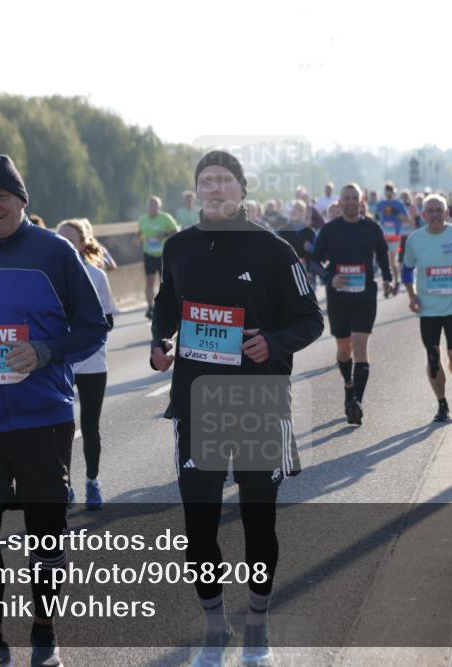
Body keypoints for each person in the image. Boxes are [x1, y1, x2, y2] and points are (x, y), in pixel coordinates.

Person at [0, 154, 108, 667]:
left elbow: (94, 326)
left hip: (42, 419)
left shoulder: (54, 251)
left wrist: (45, 351)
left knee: (45, 536)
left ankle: (45, 633)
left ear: (21, 201)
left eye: (1, 197)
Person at [150, 150, 323, 667]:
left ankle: (257, 624)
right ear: (197, 192)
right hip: (196, 402)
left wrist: (273, 342)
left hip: (258, 400)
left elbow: (311, 319)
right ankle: (213, 625)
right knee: (199, 525)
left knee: (257, 521)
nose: (216, 188)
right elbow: (166, 306)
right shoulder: (177, 247)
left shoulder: (274, 249)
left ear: (242, 190)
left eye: (225, 180)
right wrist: (161, 343)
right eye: (207, 181)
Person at [310, 184, 393, 426]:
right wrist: (329, 277)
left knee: (360, 347)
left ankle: (355, 400)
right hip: (339, 297)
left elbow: (382, 253)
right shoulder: (330, 230)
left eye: (354, 198)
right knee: (344, 349)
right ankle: (348, 385)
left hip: (365, 296)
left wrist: (387, 278)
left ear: (361, 201)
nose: (350, 202)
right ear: (341, 201)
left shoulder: (371, 227)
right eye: (346, 198)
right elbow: (313, 262)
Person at [401, 194, 452, 422]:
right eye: (431, 211)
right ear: (424, 214)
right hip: (428, 309)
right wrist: (412, 296)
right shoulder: (415, 240)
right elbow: (407, 270)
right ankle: (441, 403)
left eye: (440, 210)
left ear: (447, 213)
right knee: (433, 359)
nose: (435, 215)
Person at [56, 219, 118, 510]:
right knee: (61, 427)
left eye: (70, 241)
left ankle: (92, 482)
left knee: (90, 426)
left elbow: (108, 320)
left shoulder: (96, 275)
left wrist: (84, 335)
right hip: (61, 364)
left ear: (82, 244)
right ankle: (64, 486)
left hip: (92, 362)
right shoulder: (48, 276)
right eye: (60, 240)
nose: (65, 245)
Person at [137, 196, 179, 320]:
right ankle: (150, 307)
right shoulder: (142, 219)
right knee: (149, 281)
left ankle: (167, 305)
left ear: (159, 207)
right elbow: (139, 234)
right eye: (150, 205)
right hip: (149, 253)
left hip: (163, 254)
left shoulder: (166, 218)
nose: (152, 207)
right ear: (147, 206)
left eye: (155, 205)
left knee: (164, 282)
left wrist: (165, 234)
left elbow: (176, 231)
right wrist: (139, 238)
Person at [375, 182, 409, 292]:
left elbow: (406, 220)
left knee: (392, 260)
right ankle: (388, 283)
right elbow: (375, 217)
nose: (388, 193)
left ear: (393, 192)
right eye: (386, 190)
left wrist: (396, 213)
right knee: (384, 260)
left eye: (390, 190)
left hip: (395, 234)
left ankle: (396, 280)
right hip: (383, 235)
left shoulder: (398, 204)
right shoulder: (381, 203)